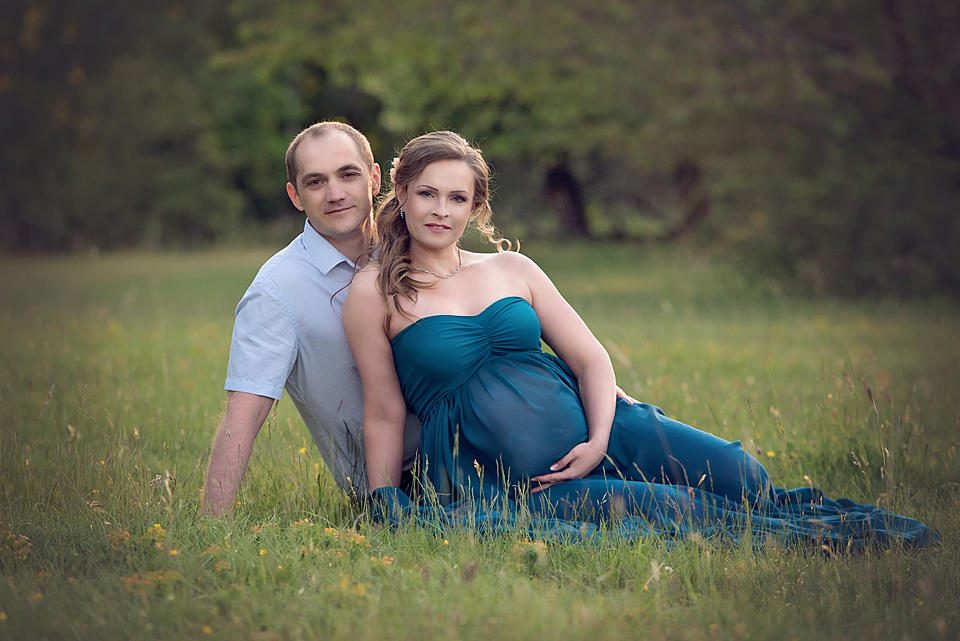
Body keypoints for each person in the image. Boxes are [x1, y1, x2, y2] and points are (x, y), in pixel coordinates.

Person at [341, 131, 938, 549]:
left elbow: (590, 357)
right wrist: (383, 497)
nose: (440, 210)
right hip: (513, 478)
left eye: (457, 197)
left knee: (745, 478)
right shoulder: (376, 294)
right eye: (427, 193)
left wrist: (599, 437)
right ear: (401, 192)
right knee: (682, 512)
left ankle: (624, 459)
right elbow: (386, 409)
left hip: (601, 426)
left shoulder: (511, 270)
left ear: (475, 207)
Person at [201, 122, 420, 517]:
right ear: (295, 196)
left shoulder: (414, 246)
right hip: (401, 483)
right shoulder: (277, 289)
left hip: (476, 445)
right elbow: (244, 414)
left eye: (348, 174)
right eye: (316, 182)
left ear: (373, 179)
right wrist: (210, 528)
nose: (335, 194)